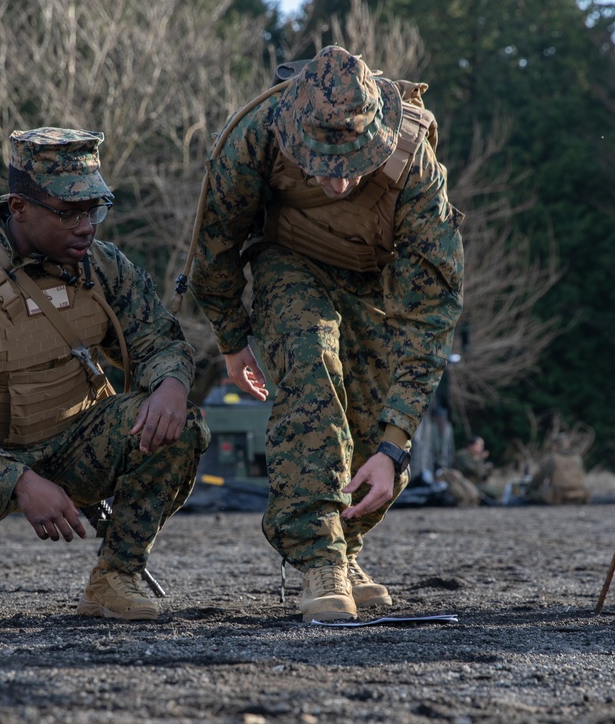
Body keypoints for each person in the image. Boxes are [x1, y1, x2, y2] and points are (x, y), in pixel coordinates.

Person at [0, 128, 209, 623]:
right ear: (19, 207)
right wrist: (21, 482)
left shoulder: (104, 268)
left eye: (95, 209)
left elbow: (158, 341)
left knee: (182, 425)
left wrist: (171, 384)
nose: (86, 226)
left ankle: (116, 576)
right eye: (68, 212)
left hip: (75, 442)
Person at [189, 46, 464, 622]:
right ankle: (318, 557)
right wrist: (233, 341)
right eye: (322, 164)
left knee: (367, 413)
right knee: (312, 364)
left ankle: (346, 547)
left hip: (372, 277)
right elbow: (214, 249)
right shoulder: (254, 137)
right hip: (287, 259)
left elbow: (430, 313)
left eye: (351, 165)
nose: (337, 183)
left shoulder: (415, 170)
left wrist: (393, 444)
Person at [521, 434, 590, 505]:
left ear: (555, 446)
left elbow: (539, 478)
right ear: (568, 445)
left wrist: (528, 490)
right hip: (579, 494)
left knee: (533, 495)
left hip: (559, 496)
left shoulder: (552, 458)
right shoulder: (577, 458)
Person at [452, 435, 499, 503]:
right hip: (466, 484)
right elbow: (471, 469)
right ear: (471, 445)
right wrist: (481, 461)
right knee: (496, 492)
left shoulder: (474, 456)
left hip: (475, 483)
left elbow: (482, 475)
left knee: (498, 488)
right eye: (479, 445)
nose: (482, 448)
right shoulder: (462, 455)